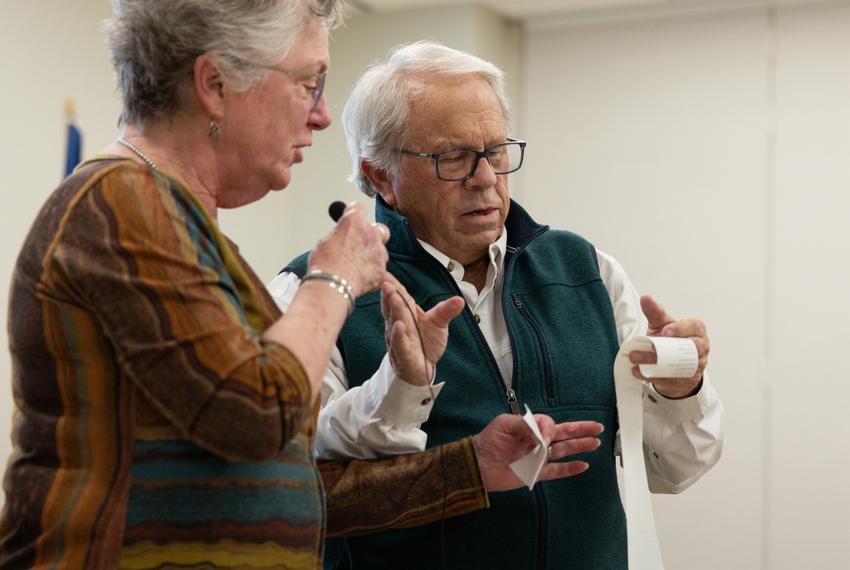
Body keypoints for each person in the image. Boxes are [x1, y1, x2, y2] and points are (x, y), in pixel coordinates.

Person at [0, 4, 607, 569]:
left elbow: (283, 479)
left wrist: (470, 469)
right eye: (308, 84)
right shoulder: (121, 202)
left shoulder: (168, 217)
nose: (320, 113)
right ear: (215, 85)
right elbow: (256, 417)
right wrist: (335, 278)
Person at [269, 41, 724, 569]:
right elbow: (296, 495)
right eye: (453, 157)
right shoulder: (316, 293)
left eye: (496, 151)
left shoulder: (589, 272)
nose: (484, 177)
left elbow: (674, 469)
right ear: (379, 177)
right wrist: (397, 388)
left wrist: (681, 391)